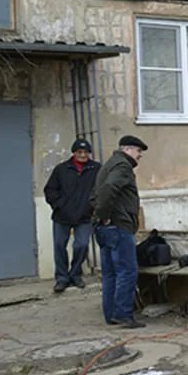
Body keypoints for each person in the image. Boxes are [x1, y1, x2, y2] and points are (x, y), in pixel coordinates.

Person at [91, 135, 149, 329]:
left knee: (110, 273)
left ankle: (112, 314)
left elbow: (96, 193)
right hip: (118, 226)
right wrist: (105, 215)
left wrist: (99, 218)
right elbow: (108, 189)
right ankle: (124, 314)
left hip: (105, 228)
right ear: (128, 149)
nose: (140, 156)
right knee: (127, 270)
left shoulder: (108, 165)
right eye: (138, 151)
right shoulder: (123, 166)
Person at [45, 138, 100, 293]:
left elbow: (101, 189)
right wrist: (59, 205)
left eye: (85, 152)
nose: (82, 155)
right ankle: (62, 278)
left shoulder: (96, 169)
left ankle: (75, 274)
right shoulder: (61, 169)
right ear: (74, 153)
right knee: (59, 246)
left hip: (84, 216)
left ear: (89, 153)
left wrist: (93, 208)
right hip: (62, 216)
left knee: (81, 245)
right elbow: (50, 190)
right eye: (79, 152)